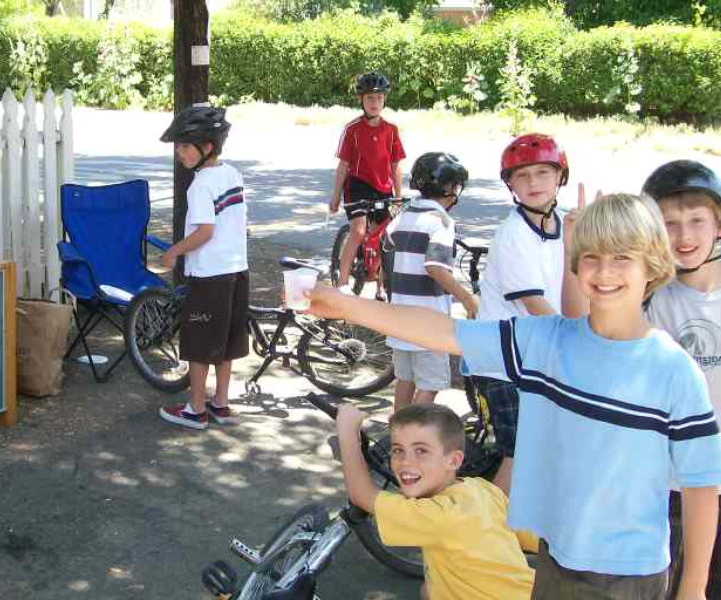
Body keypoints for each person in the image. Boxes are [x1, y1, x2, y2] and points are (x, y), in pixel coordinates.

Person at [307, 193, 721, 599]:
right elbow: (444, 331)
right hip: (555, 556)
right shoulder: (547, 341)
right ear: (575, 264)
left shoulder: (673, 371)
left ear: (652, 265)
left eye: (622, 258)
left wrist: (694, 588)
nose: (605, 271)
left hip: (628, 575)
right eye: (592, 257)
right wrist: (347, 305)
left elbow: (701, 486)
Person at [337, 402, 537, 600]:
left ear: (454, 461)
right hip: (529, 591)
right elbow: (529, 535)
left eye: (421, 451)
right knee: (429, 589)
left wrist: (347, 432)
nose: (406, 462)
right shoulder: (480, 488)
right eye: (398, 450)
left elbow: (361, 495)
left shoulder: (439, 514)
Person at [640, 160, 721, 600]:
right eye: (669, 224)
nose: (684, 237)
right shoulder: (645, 295)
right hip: (664, 484)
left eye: (696, 221)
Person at [474, 133, 571, 494]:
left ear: (560, 176)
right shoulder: (513, 234)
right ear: (510, 184)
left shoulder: (564, 224)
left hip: (537, 353)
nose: (533, 183)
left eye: (543, 173)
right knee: (521, 453)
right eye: (523, 176)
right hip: (504, 359)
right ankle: (489, 534)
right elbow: (535, 305)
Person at [157, 106, 248, 430]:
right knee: (226, 341)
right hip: (237, 270)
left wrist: (174, 252)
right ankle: (220, 403)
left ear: (206, 146)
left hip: (209, 275)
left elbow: (204, 232)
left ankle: (196, 409)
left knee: (198, 344)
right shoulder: (232, 174)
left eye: (184, 146)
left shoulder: (199, 185)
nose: (179, 153)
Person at [384, 152, 477, 412]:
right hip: (428, 323)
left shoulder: (401, 217)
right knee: (431, 383)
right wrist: (467, 298)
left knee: (406, 378)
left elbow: (387, 256)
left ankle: (397, 430)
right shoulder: (441, 222)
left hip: (399, 317)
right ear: (450, 189)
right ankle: (410, 430)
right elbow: (435, 267)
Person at [329, 71, 405, 296]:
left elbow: (395, 165)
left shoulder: (391, 130)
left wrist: (398, 196)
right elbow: (343, 165)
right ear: (361, 100)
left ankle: (382, 287)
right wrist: (335, 197)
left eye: (379, 98)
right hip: (357, 185)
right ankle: (342, 284)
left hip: (383, 188)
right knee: (359, 232)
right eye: (370, 98)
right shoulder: (352, 129)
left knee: (386, 236)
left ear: (385, 100)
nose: (375, 103)